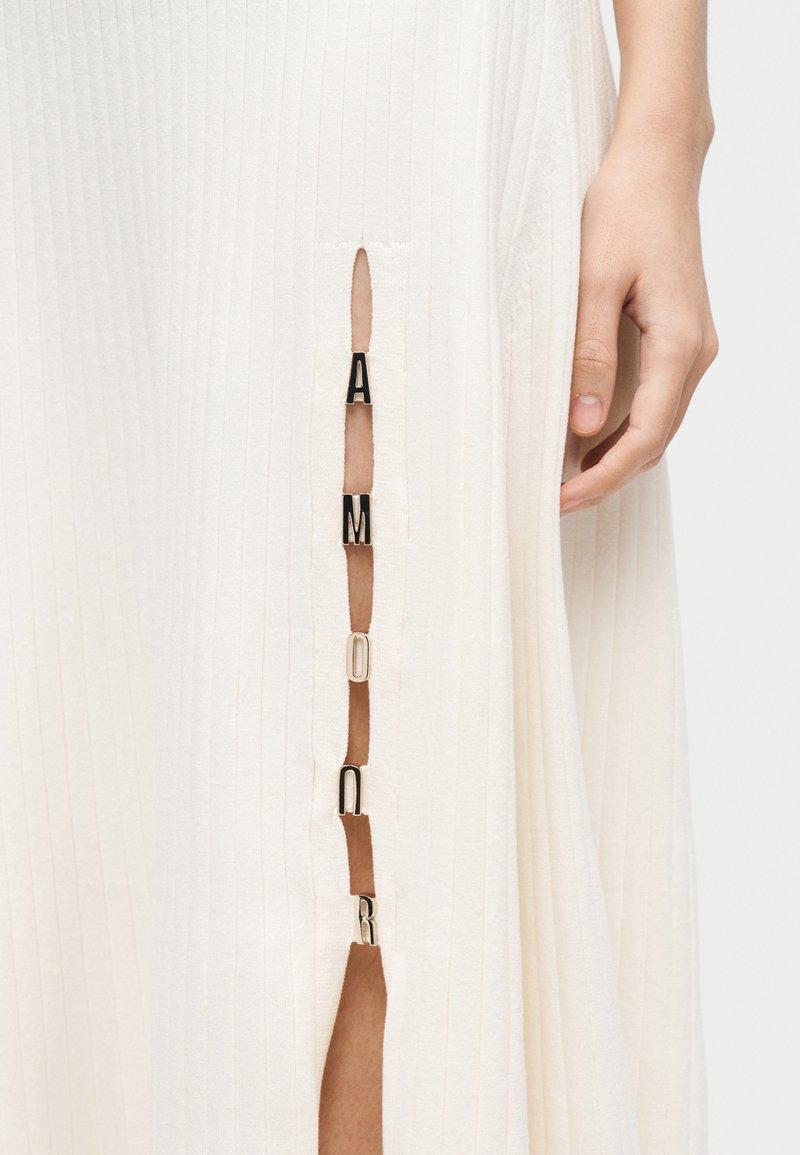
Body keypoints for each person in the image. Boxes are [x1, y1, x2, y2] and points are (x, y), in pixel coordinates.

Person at [0, 0, 715, 1152]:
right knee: (104, 775)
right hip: (62, 102)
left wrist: (666, 124)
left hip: (386, 56)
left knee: (363, 819)